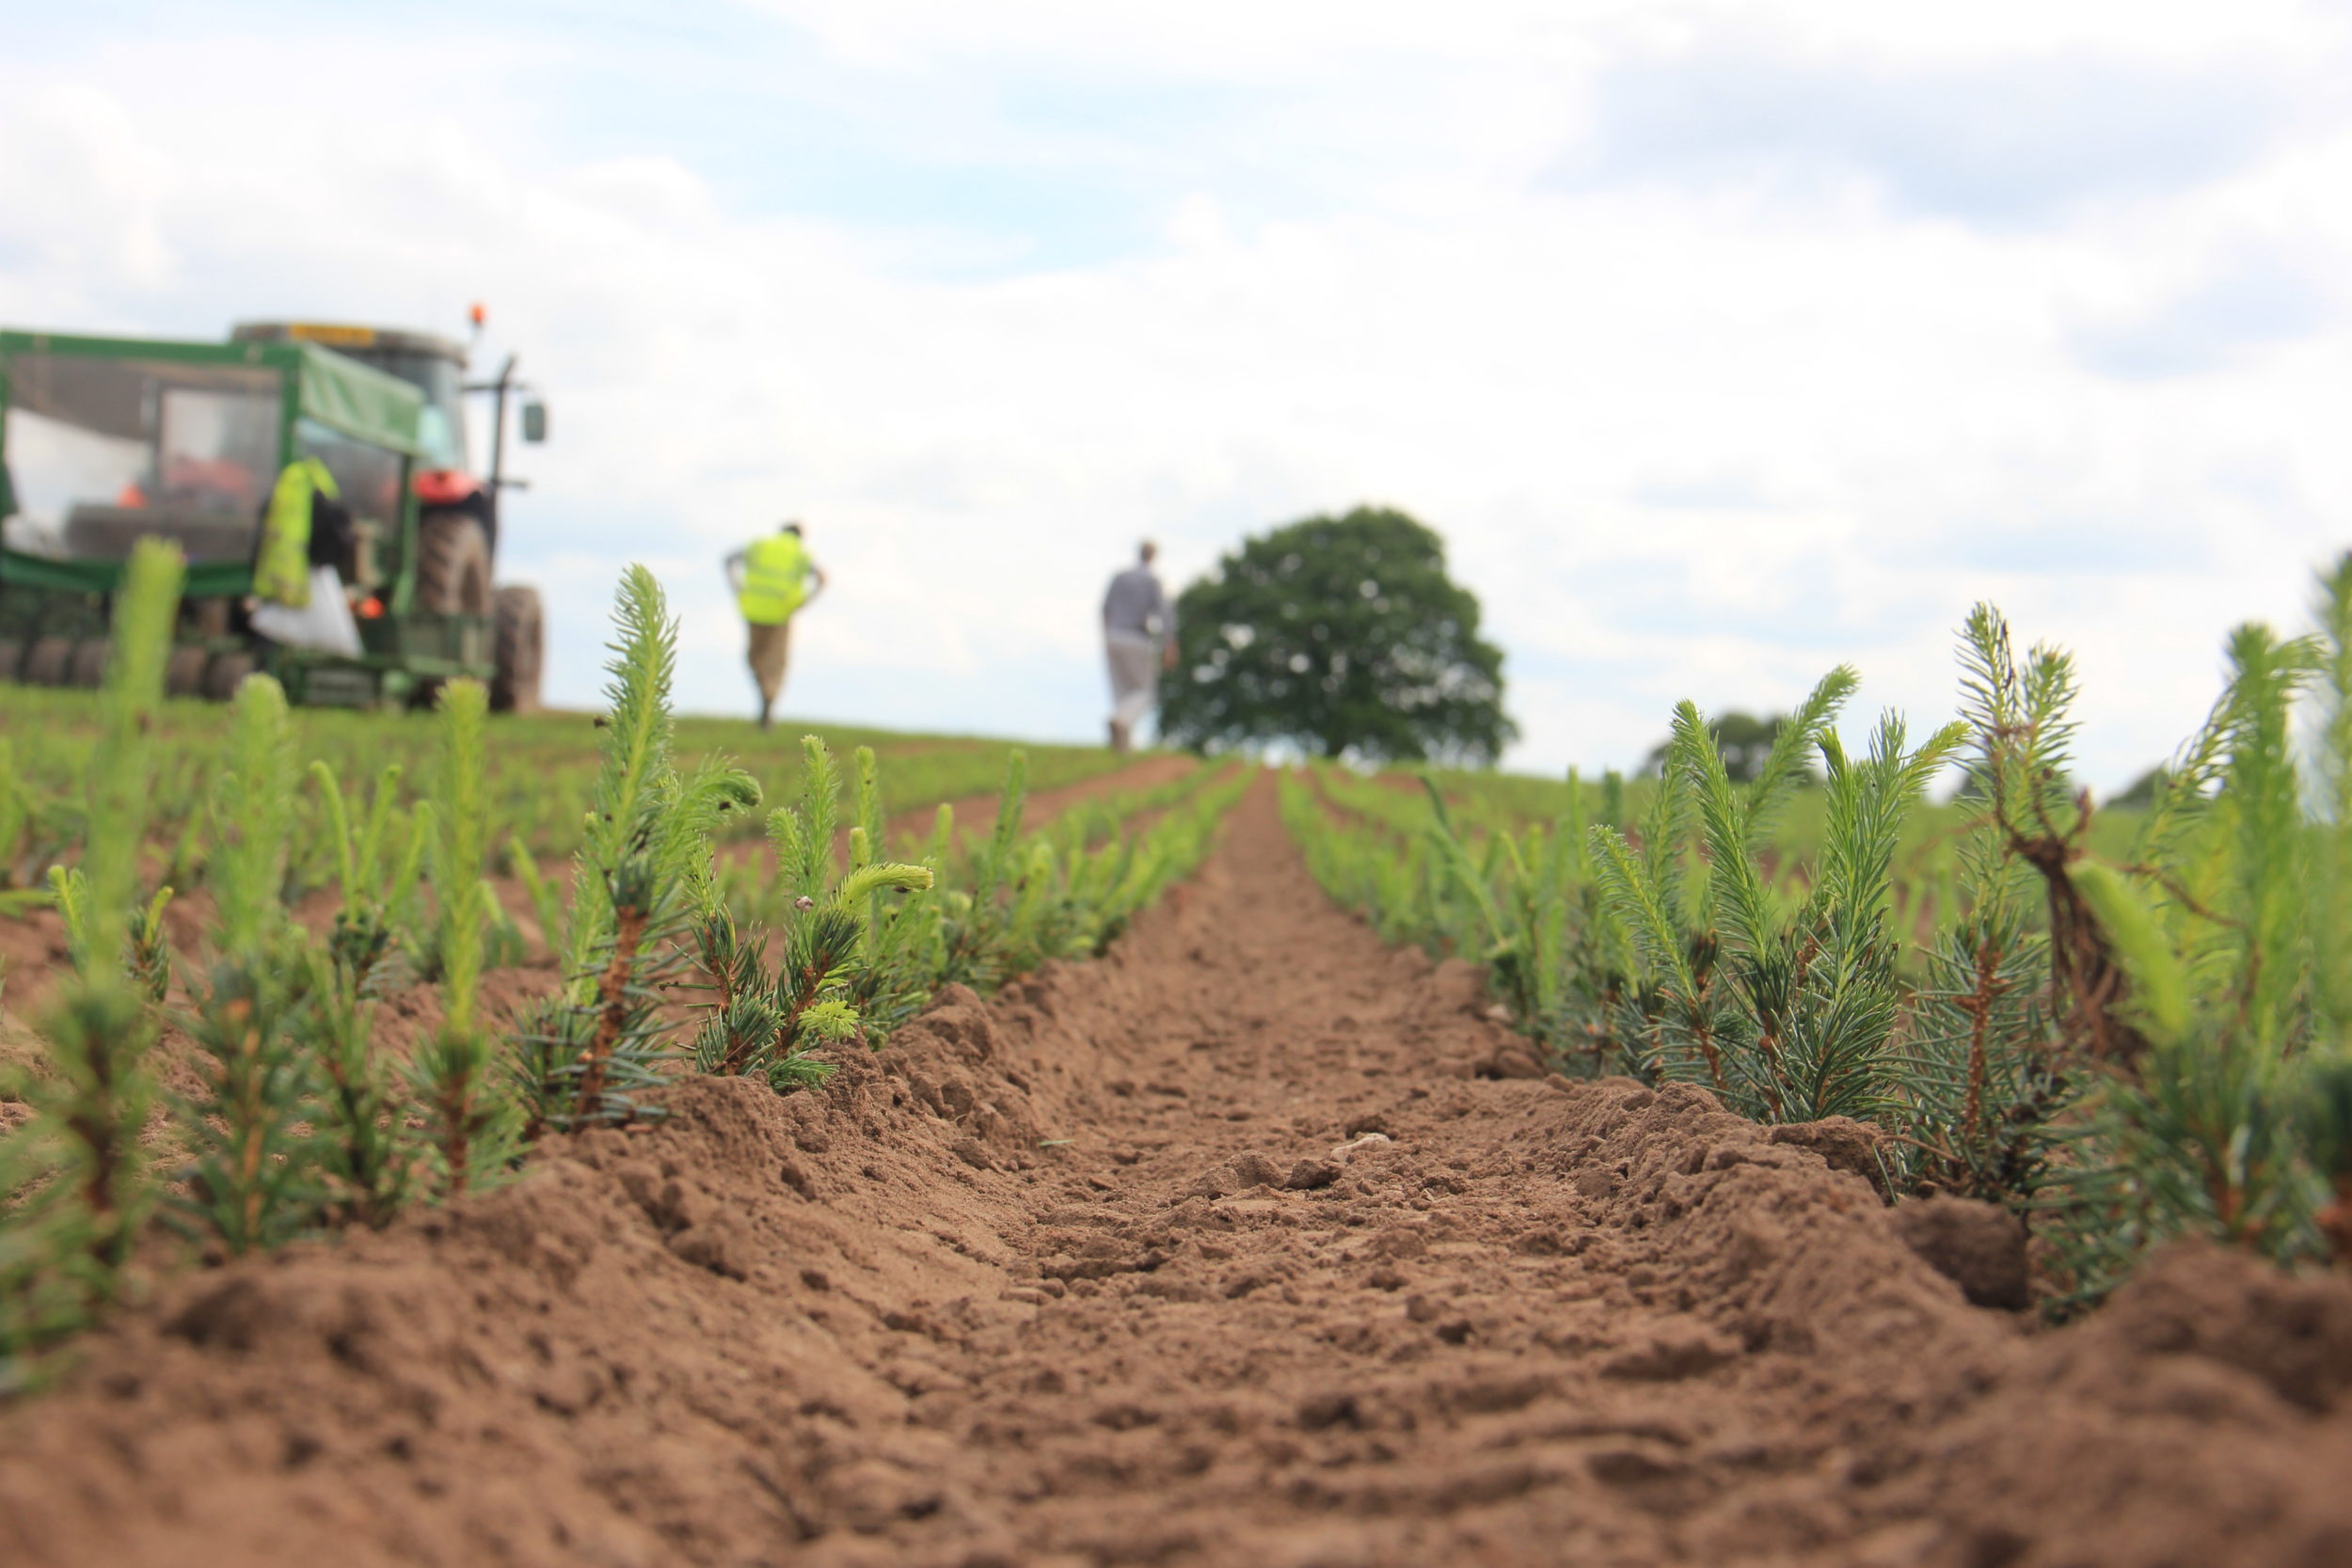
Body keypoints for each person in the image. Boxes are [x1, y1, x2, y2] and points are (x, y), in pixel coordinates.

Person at [246, 455, 361, 657]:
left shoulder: (280, 500)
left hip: (280, 582)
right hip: (313, 575)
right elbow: (341, 540)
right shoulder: (325, 499)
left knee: (272, 632)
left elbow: (261, 544)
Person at [724, 521, 826, 729]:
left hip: (753, 610)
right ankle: (769, 695)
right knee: (776, 662)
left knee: (754, 657)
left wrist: (737, 589)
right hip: (782, 614)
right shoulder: (800, 553)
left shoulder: (761, 546)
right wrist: (802, 603)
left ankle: (765, 695)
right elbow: (822, 578)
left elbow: (728, 560)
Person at [1101, 540, 1176, 753]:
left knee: (1122, 693)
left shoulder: (1119, 577)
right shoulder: (1152, 580)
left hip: (1113, 636)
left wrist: (1106, 637)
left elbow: (1104, 609)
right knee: (1145, 692)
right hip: (1137, 637)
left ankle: (1122, 749)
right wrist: (1169, 644)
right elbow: (1163, 613)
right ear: (1153, 557)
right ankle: (1121, 721)